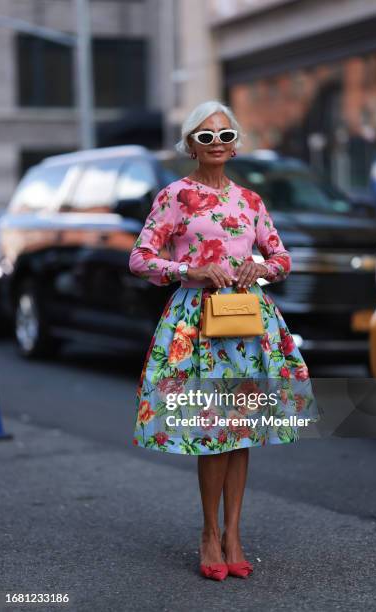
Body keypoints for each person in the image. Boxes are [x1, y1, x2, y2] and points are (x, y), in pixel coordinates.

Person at [128, 100, 320, 581]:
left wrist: (262, 267)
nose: (217, 143)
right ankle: (209, 534)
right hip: (197, 325)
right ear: (191, 145)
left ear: (236, 145)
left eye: (225, 135)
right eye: (206, 136)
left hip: (246, 322)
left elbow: (280, 257)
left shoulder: (251, 201)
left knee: (240, 430)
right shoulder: (174, 196)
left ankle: (234, 534)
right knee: (213, 431)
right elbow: (141, 258)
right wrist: (188, 270)